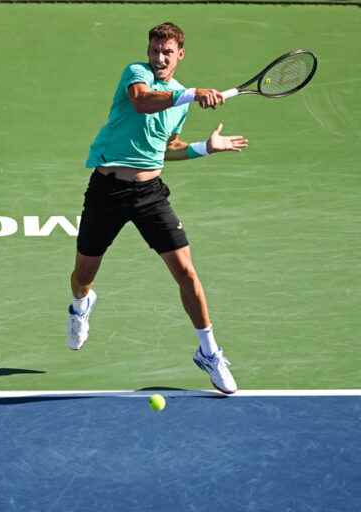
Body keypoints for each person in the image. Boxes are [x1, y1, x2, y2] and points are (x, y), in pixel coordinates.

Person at [67, 22, 248, 394]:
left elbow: (166, 147)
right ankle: (80, 306)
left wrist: (205, 148)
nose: (159, 58)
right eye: (155, 51)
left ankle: (209, 352)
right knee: (82, 275)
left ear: (180, 54)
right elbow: (141, 101)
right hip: (106, 191)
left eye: (167, 52)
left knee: (186, 273)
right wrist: (194, 94)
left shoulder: (180, 98)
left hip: (150, 194)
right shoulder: (137, 75)